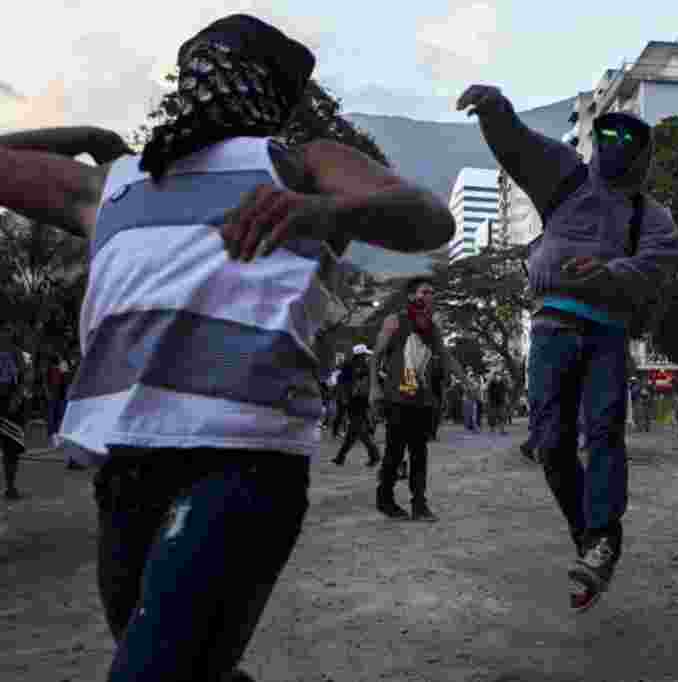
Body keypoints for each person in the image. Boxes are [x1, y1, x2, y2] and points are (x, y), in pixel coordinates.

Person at [0, 14, 454, 681]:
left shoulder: (302, 162)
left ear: (270, 89)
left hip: (240, 457)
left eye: (225, 69)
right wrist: (89, 138)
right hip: (126, 460)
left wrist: (333, 213)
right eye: (197, 68)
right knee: (187, 663)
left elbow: (428, 218)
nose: (206, 83)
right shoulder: (112, 181)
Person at [458, 83, 678, 612]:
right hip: (552, 327)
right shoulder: (566, 178)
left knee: (604, 431)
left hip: (607, 331)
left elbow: (662, 263)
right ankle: (590, 538)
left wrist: (610, 271)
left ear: (642, 156)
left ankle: (604, 535)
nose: (617, 145)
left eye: (630, 140)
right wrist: (495, 110)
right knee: (551, 442)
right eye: (608, 135)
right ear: (596, 143)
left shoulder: (648, 216)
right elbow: (519, 146)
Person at [370, 277, 466, 522]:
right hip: (397, 398)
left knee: (419, 454)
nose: (431, 295)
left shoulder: (432, 328)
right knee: (394, 452)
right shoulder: (395, 322)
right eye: (426, 291)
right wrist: (374, 388)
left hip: (422, 401)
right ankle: (385, 499)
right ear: (413, 296)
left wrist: (467, 382)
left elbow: (445, 356)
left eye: (432, 292)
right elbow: (376, 356)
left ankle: (419, 504)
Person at [332, 345, 381, 467]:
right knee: (353, 432)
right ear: (359, 356)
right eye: (364, 355)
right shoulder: (351, 366)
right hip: (355, 401)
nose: (366, 356)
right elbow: (342, 382)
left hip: (359, 401)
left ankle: (374, 455)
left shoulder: (362, 366)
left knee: (359, 431)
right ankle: (340, 457)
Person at [0, 334, 26, 500]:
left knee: (11, 450)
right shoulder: (17, 353)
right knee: (11, 450)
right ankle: (10, 486)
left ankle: (10, 486)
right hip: (10, 405)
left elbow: (24, 379)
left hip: (11, 406)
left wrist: (16, 399)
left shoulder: (17, 354)